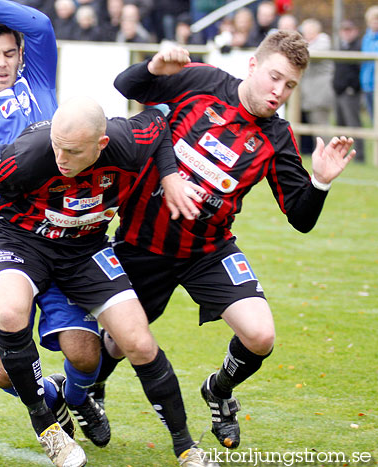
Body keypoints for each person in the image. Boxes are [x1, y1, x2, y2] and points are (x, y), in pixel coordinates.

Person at [0, 96, 216, 467]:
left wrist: (170, 176)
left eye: (72, 151)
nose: (61, 159)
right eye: (57, 147)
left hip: (84, 250)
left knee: (138, 341)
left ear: (101, 144)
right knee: (10, 314)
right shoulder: (30, 154)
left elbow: (160, 123)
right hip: (22, 242)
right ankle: (49, 430)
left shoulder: (128, 139)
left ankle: (187, 447)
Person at [93, 30, 355, 451]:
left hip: (208, 251)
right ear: (252, 65)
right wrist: (155, 67)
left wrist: (320, 181)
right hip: (143, 242)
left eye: (289, 85)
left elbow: (300, 218)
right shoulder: (202, 81)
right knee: (117, 342)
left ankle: (218, 390)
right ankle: (93, 388)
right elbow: (128, 86)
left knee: (260, 335)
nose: (279, 91)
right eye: (274, 77)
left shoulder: (277, 137)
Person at [0, 0, 109, 449]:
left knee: (85, 354)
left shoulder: (38, 80)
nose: (3, 63)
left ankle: (80, 394)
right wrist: (34, 143)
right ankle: (54, 397)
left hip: (62, 229)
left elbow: (40, 24)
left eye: (10, 53)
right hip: (4, 234)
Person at [299, 18, 334, 154]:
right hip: (310, 94)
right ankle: (320, 154)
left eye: (308, 31)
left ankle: (328, 154)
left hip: (320, 93)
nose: (306, 34)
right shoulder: (310, 44)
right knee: (314, 128)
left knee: (321, 127)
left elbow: (308, 53)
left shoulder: (323, 41)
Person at [333, 19, 365, 163]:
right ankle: (341, 154)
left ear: (355, 31)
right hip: (338, 91)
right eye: (344, 30)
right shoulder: (341, 47)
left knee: (354, 124)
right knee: (341, 124)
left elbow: (358, 70)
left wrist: (352, 87)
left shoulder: (358, 47)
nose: (346, 33)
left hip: (351, 92)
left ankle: (359, 156)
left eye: (349, 30)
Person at [360, 6, 378, 120]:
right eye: (373, 20)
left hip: (376, 83)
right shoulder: (366, 38)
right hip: (367, 83)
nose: (375, 23)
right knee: (372, 118)